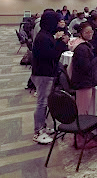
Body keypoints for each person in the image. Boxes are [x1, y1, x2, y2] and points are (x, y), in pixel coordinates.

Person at [70, 22, 97, 147]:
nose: (90, 34)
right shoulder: (81, 48)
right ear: (81, 33)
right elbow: (87, 67)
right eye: (87, 32)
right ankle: (80, 139)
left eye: (91, 32)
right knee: (82, 112)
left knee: (85, 110)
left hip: (86, 82)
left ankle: (84, 135)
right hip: (84, 83)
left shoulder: (84, 46)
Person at [31, 10, 69, 144]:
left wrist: (58, 40)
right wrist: (61, 42)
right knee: (42, 103)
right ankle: (38, 131)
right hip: (43, 74)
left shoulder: (46, 35)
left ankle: (43, 127)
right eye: (55, 21)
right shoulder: (43, 37)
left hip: (45, 73)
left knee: (45, 102)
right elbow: (52, 55)